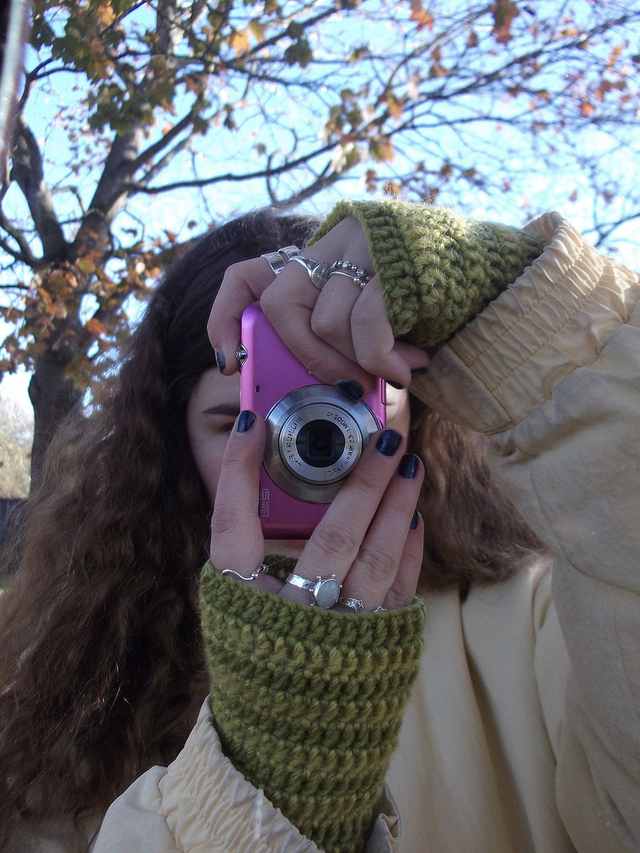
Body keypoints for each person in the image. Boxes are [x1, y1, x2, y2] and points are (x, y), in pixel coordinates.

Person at [0, 199, 637, 853]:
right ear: (170, 443)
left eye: (347, 410)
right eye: (237, 422)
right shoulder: (75, 673)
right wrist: (257, 801)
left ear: (417, 412)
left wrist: (550, 331)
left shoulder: (549, 610)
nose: (306, 448)